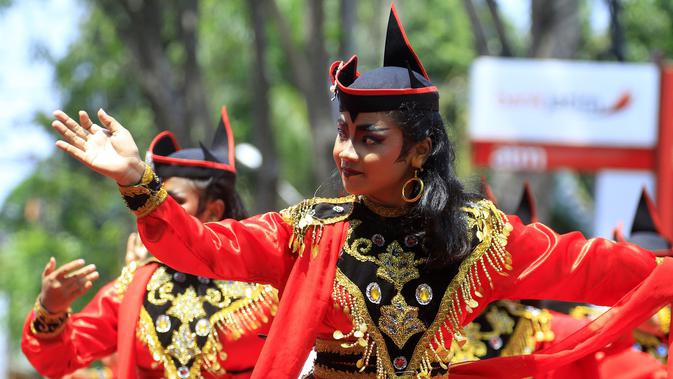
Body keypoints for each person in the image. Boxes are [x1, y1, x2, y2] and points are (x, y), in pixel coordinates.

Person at [48, 6, 669, 379]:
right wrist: (138, 181)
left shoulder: (480, 237)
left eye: (368, 138)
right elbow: (208, 250)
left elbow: (593, 270)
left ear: (420, 149)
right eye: (343, 134)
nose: (345, 152)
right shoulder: (312, 231)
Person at [22, 107, 278, 379]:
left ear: (214, 211)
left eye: (175, 202)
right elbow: (57, 360)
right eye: (158, 199)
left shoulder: (267, 286)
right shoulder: (135, 288)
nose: (161, 208)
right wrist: (50, 310)